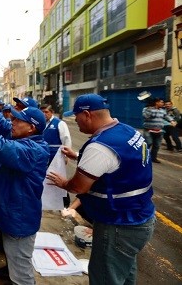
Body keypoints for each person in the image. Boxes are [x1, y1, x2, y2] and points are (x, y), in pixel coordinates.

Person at [46, 94, 156, 285]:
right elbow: (115, 161)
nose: (76, 122)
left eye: (77, 116)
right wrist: (77, 155)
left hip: (119, 225)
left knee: (105, 278)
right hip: (141, 217)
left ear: (87, 114)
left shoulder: (100, 147)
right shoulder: (127, 131)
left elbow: (79, 185)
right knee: (124, 273)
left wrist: (64, 183)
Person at [0, 82, 49, 285]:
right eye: (14, 118)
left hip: (19, 219)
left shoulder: (35, 151)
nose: (12, 121)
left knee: (21, 275)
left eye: (17, 120)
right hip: (9, 214)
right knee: (14, 263)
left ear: (31, 128)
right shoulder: (21, 135)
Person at [40, 103, 72, 207]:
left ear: (52, 112)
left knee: (57, 177)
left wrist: (67, 156)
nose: (44, 114)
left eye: (46, 112)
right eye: (42, 112)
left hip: (56, 155)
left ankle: (65, 202)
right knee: (44, 177)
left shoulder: (59, 123)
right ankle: (47, 199)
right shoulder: (40, 124)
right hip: (43, 155)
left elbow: (66, 139)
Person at [142, 98, 177, 163]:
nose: (163, 104)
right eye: (161, 102)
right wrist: (150, 109)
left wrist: (172, 120)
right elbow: (146, 116)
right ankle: (142, 156)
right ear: (156, 103)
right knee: (148, 143)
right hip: (148, 130)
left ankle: (153, 158)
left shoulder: (162, 110)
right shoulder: (146, 109)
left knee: (157, 145)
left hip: (159, 131)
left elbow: (166, 116)